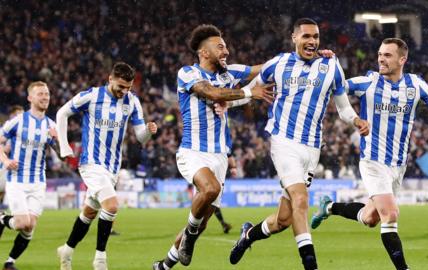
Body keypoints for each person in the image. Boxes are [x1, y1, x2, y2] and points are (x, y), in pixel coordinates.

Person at [311, 38, 428, 270]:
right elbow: (336, 86)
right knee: (390, 214)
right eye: (380, 54)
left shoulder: (415, 85)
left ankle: (329, 208)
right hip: (373, 161)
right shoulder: (368, 82)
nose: (381, 58)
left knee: (371, 218)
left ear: (403, 59)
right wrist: (333, 64)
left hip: (398, 165)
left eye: (388, 55)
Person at [229, 18, 369, 270]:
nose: (312, 41)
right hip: (284, 142)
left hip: (312, 149)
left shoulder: (331, 65)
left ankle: (248, 235)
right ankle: (310, 264)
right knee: (301, 200)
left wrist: (356, 119)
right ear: (294, 38)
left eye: (315, 36)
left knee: (283, 219)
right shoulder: (279, 63)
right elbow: (251, 88)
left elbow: (343, 106)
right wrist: (226, 103)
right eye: (306, 36)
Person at [152, 24, 273, 270]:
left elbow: (265, 68)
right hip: (193, 152)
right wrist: (249, 93)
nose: (226, 51)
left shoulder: (229, 74)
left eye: (226, 46)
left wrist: (301, 55)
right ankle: (189, 236)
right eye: (220, 47)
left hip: (218, 157)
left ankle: (164, 266)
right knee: (210, 189)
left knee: (202, 222)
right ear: (204, 52)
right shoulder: (187, 73)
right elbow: (212, 93)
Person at [56, 62, 158, 270]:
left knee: (89, 213)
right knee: (111, 206)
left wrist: (148, 131)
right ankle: (100, 260)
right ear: (110, 79)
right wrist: (65, 147)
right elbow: (62, 113)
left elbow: (140, 137)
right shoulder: (91, 96)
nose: (124, 91)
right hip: (91, 164)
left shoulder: (132, 101)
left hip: (112, 168)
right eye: (121, 86)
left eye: (128, 87)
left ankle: (67, 249)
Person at [0, 82, 59, 270]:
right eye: (40, 94)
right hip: (17, 180)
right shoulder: (18, 120)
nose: (45, 97)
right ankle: (1, 218)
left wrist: (57, 140)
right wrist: (6, 160)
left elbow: (64, 156)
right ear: (30, 98)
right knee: (22, 223)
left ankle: (10, 262)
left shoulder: (51, 125)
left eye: (47, 94)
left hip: (38, 182)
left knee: (30, 227)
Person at [0, 106, 25, 210]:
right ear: (12, 115)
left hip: (13, 167)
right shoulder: (4, 129)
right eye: (18, 114)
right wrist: (6, 148)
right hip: (3, 165)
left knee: (4, 192)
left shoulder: (22, 131)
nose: (21, 117)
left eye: (22, 114)